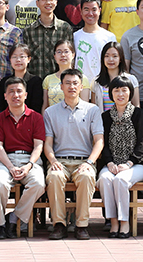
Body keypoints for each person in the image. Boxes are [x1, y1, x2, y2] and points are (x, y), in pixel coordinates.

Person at [42, 69, 104, 240]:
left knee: (86, 177)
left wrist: (90, 162)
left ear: (81, 86)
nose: (71, 86)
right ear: (61, 86)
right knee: (54, 177)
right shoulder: (50, 112)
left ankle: (82, 225)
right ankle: (59, 224)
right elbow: (47, 143)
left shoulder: (92, 110)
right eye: (67, 83)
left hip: (84, 161)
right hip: (59, 161)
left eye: (75, 83)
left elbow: (99, 141)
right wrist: (52, 160)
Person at [0, 76, 46, 239]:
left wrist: (29, 165)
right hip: (5, 160)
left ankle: (13, 218)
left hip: (30, 160)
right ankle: (1, 224)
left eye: (19, 91)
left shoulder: (36, 117)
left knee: (38, 184)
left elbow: (38, 146)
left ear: (26, 95)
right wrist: (10, 167)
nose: (16, 95)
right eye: (11, 92)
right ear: (5, 96)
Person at [97, 77, 143, 238]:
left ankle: (124, 221)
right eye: (116, 90)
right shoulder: (105, 117)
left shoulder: (139, 114)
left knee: (121, 180)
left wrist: (129, 163)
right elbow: (103, 143)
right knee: (105, 178)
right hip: (112, 163)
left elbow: (142, 144)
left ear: (130, 92)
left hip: (136, 164)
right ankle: (113, 221)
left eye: (124, 90)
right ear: (111, 94)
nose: (120, 94)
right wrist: (110, 163)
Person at [25, 0, 73, 82]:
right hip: (35, 82)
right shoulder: (29, 30)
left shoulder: (64, 28)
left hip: (59, 82)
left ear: (56, 2)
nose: (48, 3)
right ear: (37, 3)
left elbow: (70, 57)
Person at [74, 0, 117, 87]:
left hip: (102, 87)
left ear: (100, 11)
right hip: (80, 87)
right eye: (86, 9)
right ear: (81, 11)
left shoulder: (109, 37)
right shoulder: (75, 36)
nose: (90, 13)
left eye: (94, 10)